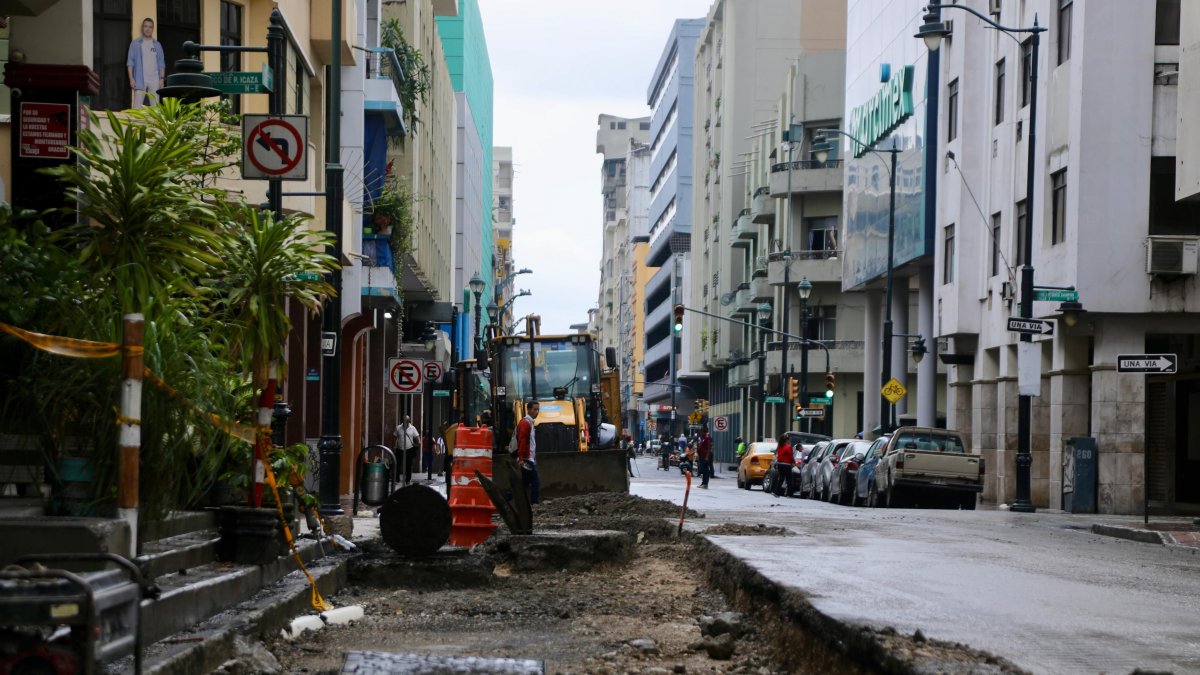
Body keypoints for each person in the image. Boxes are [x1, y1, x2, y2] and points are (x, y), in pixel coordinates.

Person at [127, 17, 165, 109]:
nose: (147, 29)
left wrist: (162, 79)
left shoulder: (157, 45)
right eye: (145, 26)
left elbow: (161, 63)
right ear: (142, 28)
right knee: (137, 108)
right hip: (140, 80)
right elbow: (130, 62)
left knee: (155, 109)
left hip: (155, 80)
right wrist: (131, 78)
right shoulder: (135, 44)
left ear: (153, 29)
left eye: (150, 27)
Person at [516, 401, 540, 504]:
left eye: (538, 409)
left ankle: (507, 498)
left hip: (527, 458)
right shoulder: (526, 423)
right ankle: (534, 503)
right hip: (526, 458)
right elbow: (522, 441)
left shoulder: (528, 423)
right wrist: (521, 458)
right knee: (535, 481)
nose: (537, 412)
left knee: (524, 484)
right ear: (529, 410)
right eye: (535, 409)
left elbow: (529, 442)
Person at [393, 415, 420, 485]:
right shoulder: (398, 428)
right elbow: (394, 438)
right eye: (405, 421)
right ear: (403, 421)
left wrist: (417, 444)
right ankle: (397, 478)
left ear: (409, 421)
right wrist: (394, 446)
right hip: (399, 449)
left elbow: (418, 438)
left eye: (408, 421)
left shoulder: (413, 428)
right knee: (397, 464)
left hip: (409, 449)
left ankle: (407, 479)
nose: (406, 423)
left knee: (408, 465)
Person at [772, 432, 796, 498]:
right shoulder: (788, 447)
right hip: (786, 465)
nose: (789, 441)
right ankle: (789, 494)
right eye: (789, 440)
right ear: (787, 440)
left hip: (780, 464)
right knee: (789, 480)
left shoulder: (780, 447)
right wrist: (793, 462)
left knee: (781, 479)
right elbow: (790, 456)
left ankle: (776, 492)